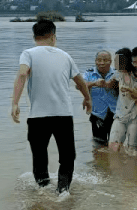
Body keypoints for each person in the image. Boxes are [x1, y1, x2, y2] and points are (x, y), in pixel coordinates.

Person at [10, 19, 93, 194]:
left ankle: (42, 190)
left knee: (39, 156)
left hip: (37, 117)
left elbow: (23, 74)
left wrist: (15, 103)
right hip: (63, 115)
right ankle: (63, 191)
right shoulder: (65, 55)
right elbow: (80, 81)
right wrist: (87, 99)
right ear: (53, 37)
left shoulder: (28, 53)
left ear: (34, 37)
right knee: (67, 156)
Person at [108, 47, 137, 152]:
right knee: (113, 146)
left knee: (133, 149)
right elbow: (109, 85)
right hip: (120, 115)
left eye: (118, 61)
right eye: (115, 61)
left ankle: (133, 167)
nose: (115, 63)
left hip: (135, 115)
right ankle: (115, 167)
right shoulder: (117, 74)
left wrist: (131, 91)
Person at [84, 50, 118, 144]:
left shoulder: (117, 73)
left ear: (110, 62)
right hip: (97, 115)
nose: (102, 63)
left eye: (105, 60)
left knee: (115, 144)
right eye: (99, 60)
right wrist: (94, 83)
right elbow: (79, 85)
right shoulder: (89, 73)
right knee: (98, 145)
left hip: (115, 115)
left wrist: (113, 85)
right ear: (95, 61)